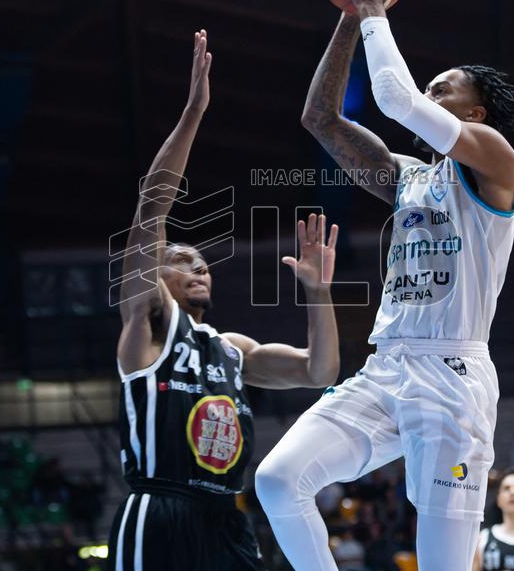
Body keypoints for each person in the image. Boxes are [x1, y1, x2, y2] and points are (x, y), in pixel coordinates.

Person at [255, 0, 514, 570]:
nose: (430, 98)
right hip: (385, 371)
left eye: (444, 90)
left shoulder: (495, 162)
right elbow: (320, 119)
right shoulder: (409, 176)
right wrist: (351, 18)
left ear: (477, 111)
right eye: (431, 89)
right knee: (277, 480)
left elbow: (396, 100)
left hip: (453, 381)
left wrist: (377, 8)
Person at [110, 29, 342, 571]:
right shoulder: (148, 325)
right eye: (182, 260)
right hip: (160, 508)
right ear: (154, 274)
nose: (198, 269)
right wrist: (193, 112)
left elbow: (320, 371)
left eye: (204, 265)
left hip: (226, 517)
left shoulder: (232, 348)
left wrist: (318, 292)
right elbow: (151, 210)